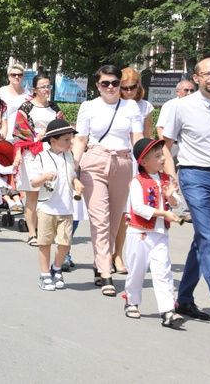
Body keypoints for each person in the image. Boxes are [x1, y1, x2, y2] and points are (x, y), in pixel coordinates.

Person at [72, 64, 143, 297]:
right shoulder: (88, 106)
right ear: (97, 85)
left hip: (123, 163)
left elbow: (137, 139)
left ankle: (98, 262)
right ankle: (106, 273)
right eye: (105, 83)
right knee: (100, 220)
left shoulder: (131, 106)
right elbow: (81, 140)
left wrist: (145, 170)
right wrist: (73, 167)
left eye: (115, 83)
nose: (111, 87)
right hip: (95, 162)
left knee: (114, 220)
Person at [162, 57, 210, 325]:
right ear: (196, 78)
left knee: (203, 240)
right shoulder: (181, 107)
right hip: (196, 176)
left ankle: (184, 299)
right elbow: (166, 146)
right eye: (207, 73)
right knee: (209, 238)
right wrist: (172, 179)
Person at [122, 138, 184, 327]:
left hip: (160, 234)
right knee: (136, 271)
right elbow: (139, 208)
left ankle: (167, 311)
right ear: (143, 162)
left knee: (163, 271)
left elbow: (176, 203)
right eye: (157, 156)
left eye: (162, 155)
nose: (163, 159)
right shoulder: (136, 182)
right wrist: (163, 213)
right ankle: (132, 301)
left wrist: (170, 197)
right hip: (138, 233)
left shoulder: (166, 179)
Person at [28, 120, 84, 290]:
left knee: (65, 243)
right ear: (53, 141)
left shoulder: (69, 156)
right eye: (66, 139)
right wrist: (45, 177)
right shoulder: (42, 157)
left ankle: (56, 268)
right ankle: (44, 275)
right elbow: (33, 182)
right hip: (47, 208)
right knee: (45, 243)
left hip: (66, 208)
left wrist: (76, 183)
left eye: (71, 139)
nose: (71, 142)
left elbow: (71, 175)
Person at [112, 67, 155, 274]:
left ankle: (123, 255)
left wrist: (152, 164)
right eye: (125, 88)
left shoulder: (145, 107)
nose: (129, 92)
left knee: (132, 211)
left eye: (132, 87)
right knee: (118, 211)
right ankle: (115, 253)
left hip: (137, 161)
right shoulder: (115, 104)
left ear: (139, 86)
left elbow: (147, 136)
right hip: (118, 158)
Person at [12, 73, 63, 246]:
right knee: (32, 195)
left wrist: (48, 135)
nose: (46, 89)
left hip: (52, 153)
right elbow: (19, 133)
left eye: (48, 86)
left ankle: (48, 231)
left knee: (51, 193)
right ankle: (32, 233)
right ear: (34, 90)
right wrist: (20, 153)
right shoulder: (26, 107)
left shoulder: (55, 108)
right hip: (32, 154)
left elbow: (61, 130)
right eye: (43, 87)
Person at [0, 63, 31, 142]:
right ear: (9, 77)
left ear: (23, 77)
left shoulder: (28, 93)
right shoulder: (1, 92)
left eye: (20, 75)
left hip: (21, 135)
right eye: (13, 75)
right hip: (4, 134)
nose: (17, 77)